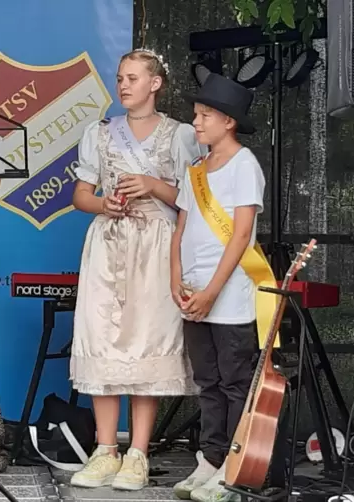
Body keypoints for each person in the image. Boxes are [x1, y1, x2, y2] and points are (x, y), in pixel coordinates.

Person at [68, 49, 203, 491]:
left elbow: (194, 199)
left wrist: (151, 185)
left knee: (147, 343)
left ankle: (139, 453)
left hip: (157, 245)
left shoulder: (180, 134)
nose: (123, 85)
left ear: (155, 83)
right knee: (102, 340)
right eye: (120, 78)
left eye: (132, 78)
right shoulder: (100, 133)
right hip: (109, 244)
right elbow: (81, 194)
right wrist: (103, 203)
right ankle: (105, 450)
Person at [170, 73, 266, 502]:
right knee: (206, 381)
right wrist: (176, 278)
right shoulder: (196, 170)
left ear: (228, 121)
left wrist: (212, 290)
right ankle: (209, 460)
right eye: (196, 115)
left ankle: (234, 464)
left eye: (205, 115)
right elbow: (181, 228)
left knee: (234, 383)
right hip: (192, 290)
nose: (197, 123)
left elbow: (241, 234)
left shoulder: (245, 165)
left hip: (228, 296)